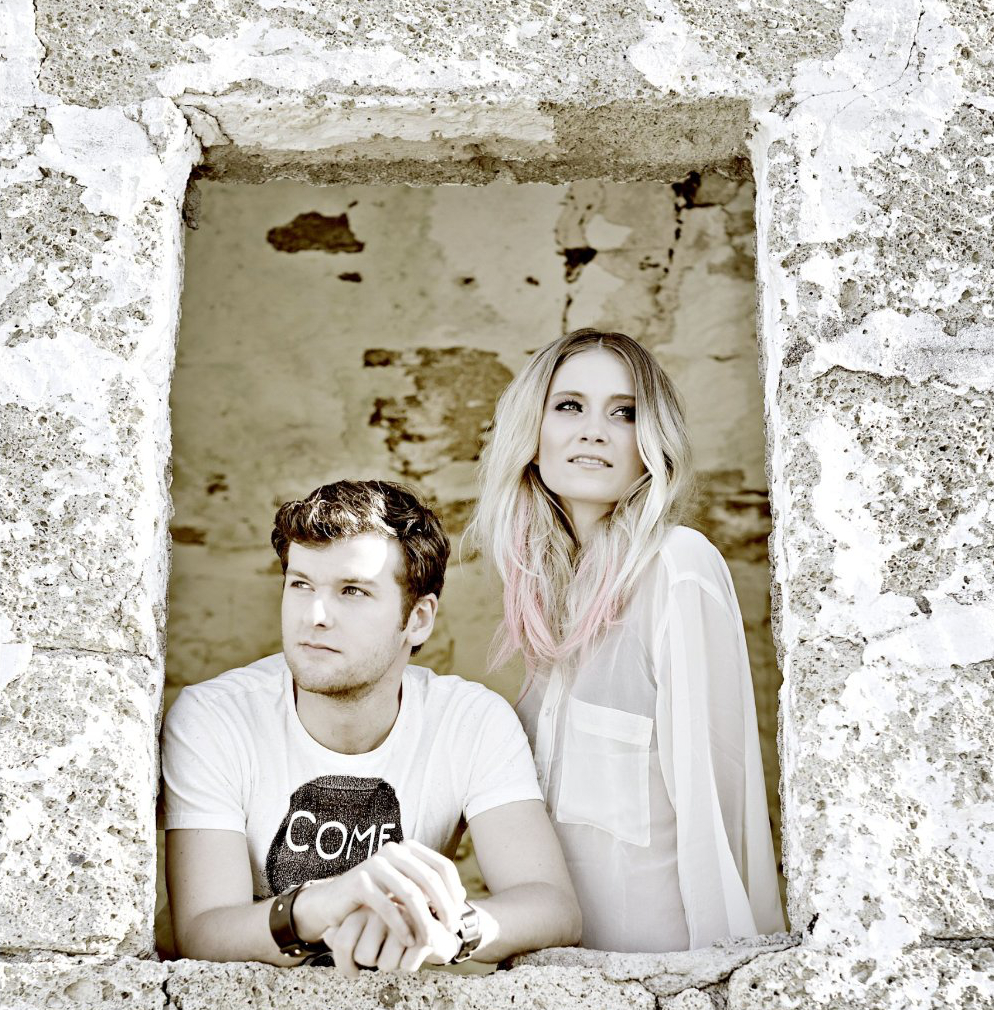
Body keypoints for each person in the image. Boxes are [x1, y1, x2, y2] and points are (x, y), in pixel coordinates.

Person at [162, 479, 580, 975]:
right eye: (300, 584)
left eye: (352, 591)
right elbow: (202, 930)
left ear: (418, 619)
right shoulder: (215, 718)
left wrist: (445, 928)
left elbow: (553, 905)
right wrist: (321, 905)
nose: (315, 616)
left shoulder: (470, 722)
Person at [470, 329, 785, 953]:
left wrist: (717, 977)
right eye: (570, 406)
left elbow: (718, 809)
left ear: (651, 444)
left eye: (624, 413)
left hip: (667, 974)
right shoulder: (544, 595)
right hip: (555, 978)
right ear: (533, 432)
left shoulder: (677, 567)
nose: (594, 431)